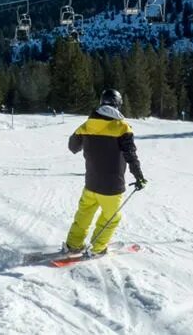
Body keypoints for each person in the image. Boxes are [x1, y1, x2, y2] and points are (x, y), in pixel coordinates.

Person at [63, 89, 147, 257]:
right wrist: (139, 176)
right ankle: (97, 248)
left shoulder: (88, 124)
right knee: (111, 218)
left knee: (84, 215)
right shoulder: (122, 127)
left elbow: (73, 147)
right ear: (118, 104)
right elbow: (130, 154)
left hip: (91, 183)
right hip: (112, 186)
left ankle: (73, 245)